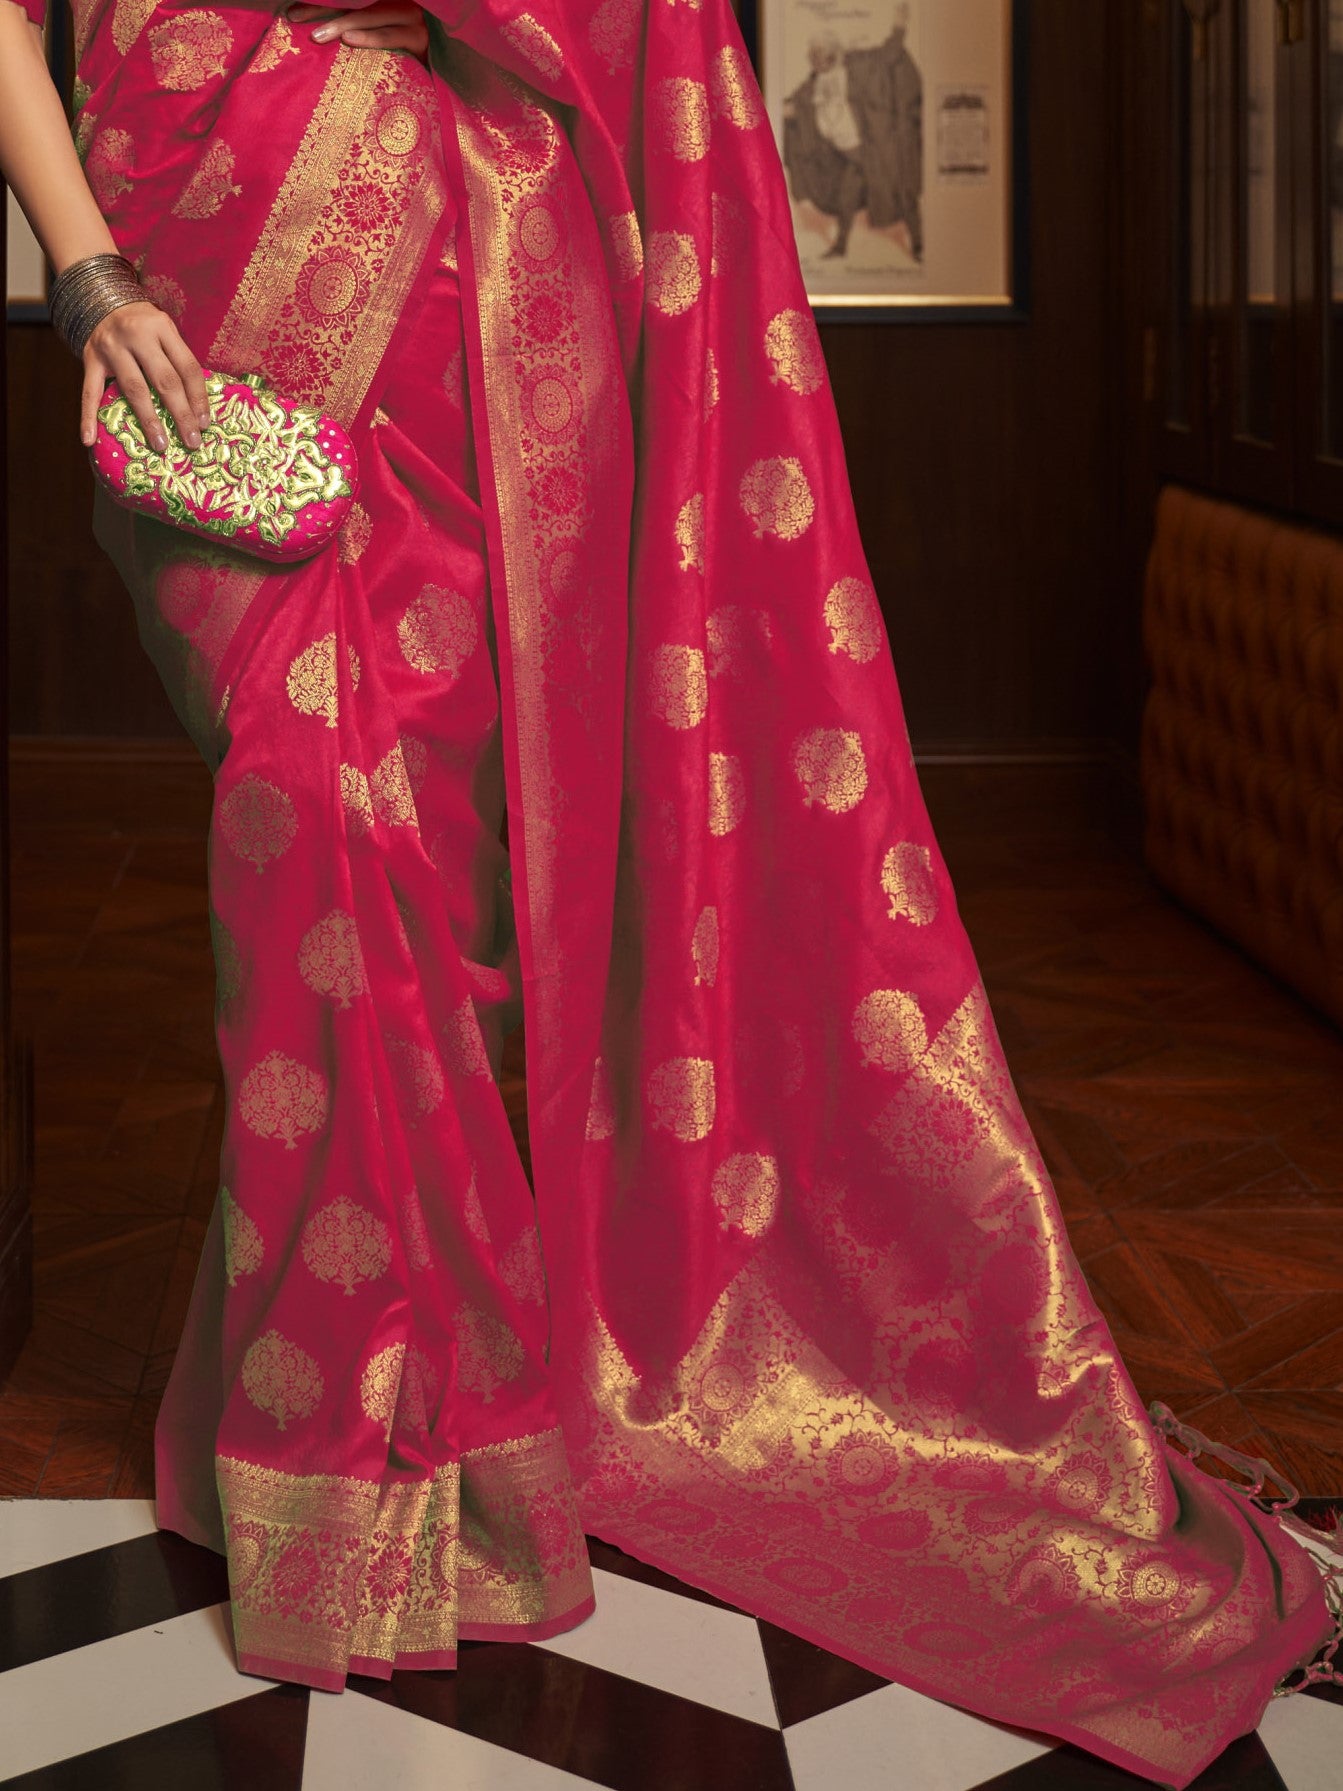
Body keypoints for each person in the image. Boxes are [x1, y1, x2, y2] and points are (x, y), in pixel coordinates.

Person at [0, 1, 1338, 1781]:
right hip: (202, 287)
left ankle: (427, 1446)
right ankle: (351, 1438)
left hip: (471, 296)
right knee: (305, 811)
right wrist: (83, 273)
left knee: (444, 897)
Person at [784, 10, 924, 263]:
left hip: (872, 148)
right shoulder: (814, 81)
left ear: (833, 53)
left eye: (818, 53)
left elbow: (888, 54)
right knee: (847, 197)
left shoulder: (859, 65)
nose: (813, 59)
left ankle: (919, 245)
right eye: (812, 54)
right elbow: (797, 101)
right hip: (846, 154)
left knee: (899, 190)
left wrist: (899, 27)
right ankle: (840, 246)